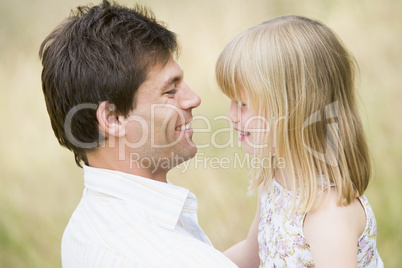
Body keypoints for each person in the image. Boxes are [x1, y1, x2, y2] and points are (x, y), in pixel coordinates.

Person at [39, 1, 236, 267]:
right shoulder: (170, 257)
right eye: (170, 91)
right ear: (113, 118)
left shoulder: (84, 229)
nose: (194, 99)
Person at [215, 15, 384, 267]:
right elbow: (252, 254)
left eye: (242, 104)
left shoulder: (329, 215)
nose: (230, 116)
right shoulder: (277, 178)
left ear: (292, 110)